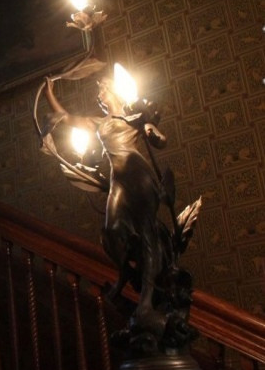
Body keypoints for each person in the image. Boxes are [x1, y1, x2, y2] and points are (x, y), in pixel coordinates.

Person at [43, 75, 200, 353]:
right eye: (98, 93)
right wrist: (49, 93)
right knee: (111, 231)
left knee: (148, 233)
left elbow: (159, 139)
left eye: (102, 90)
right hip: (118, 180)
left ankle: (147, 300)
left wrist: (151, 131)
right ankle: (127, 274)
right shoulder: (100, 123)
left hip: (138, 174)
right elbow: (67, 118)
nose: (99, 95)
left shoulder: (133, 118)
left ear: (114, 92)